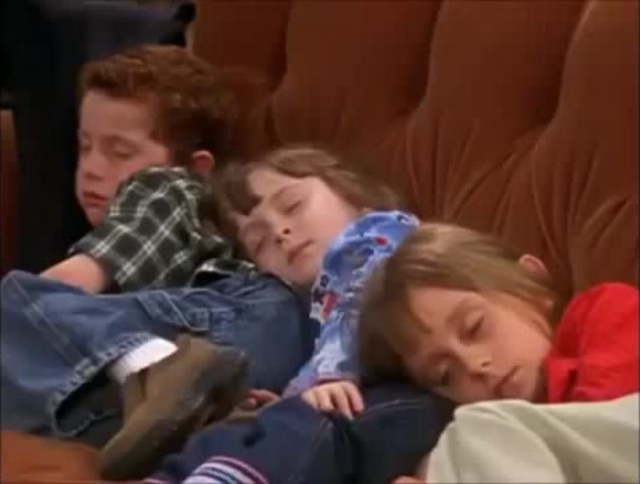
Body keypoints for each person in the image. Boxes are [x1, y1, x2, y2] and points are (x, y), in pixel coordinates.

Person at [0, 45, 310, 473]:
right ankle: (207, 416)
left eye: (119, 152)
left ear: (197, 167)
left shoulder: (170, 188)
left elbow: (65, 285)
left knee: (19, 298)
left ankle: (158, 367)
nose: (92, 167)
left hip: (235, 320)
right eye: (85, 147)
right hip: (240, 372)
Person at [134, 146, 453, 484]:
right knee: (234, 431)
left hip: (418, 398)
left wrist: (330, 376)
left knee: (312, 423)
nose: (279, 233)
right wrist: (288, 398)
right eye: (259, 242)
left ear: (353, 193)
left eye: (293, 206)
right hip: (366, 413)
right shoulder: (312, 307)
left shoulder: (380, 232)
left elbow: (360, 298)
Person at [357, 223, 639, 483]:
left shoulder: (605, 310)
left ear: (532, 282)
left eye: (474, 327)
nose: (473, 365)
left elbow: (603, 427)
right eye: (445, 375)